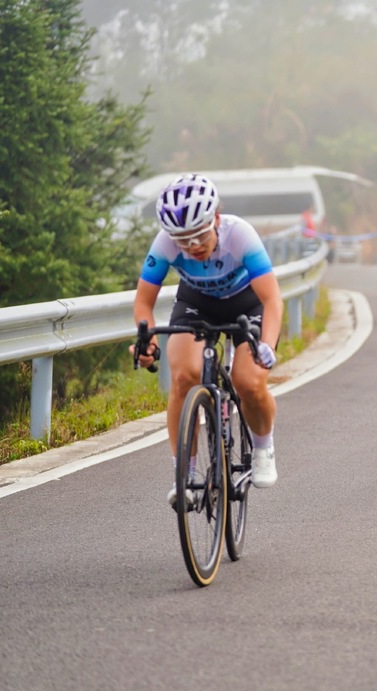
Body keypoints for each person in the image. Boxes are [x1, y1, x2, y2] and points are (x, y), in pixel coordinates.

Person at [130, 173, 282, 505]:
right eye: (183, 240)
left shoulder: (239, 234)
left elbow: (272, 299)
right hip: (196, 304)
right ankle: (184, 474)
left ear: (216, 218)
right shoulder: (165, 243)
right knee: (184, 377)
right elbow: (143, 302)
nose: (193, 246)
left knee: (248, 382)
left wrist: (267, 345)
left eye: (199, 235)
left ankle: (263, 448)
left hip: (247, 305)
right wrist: (148, 342)